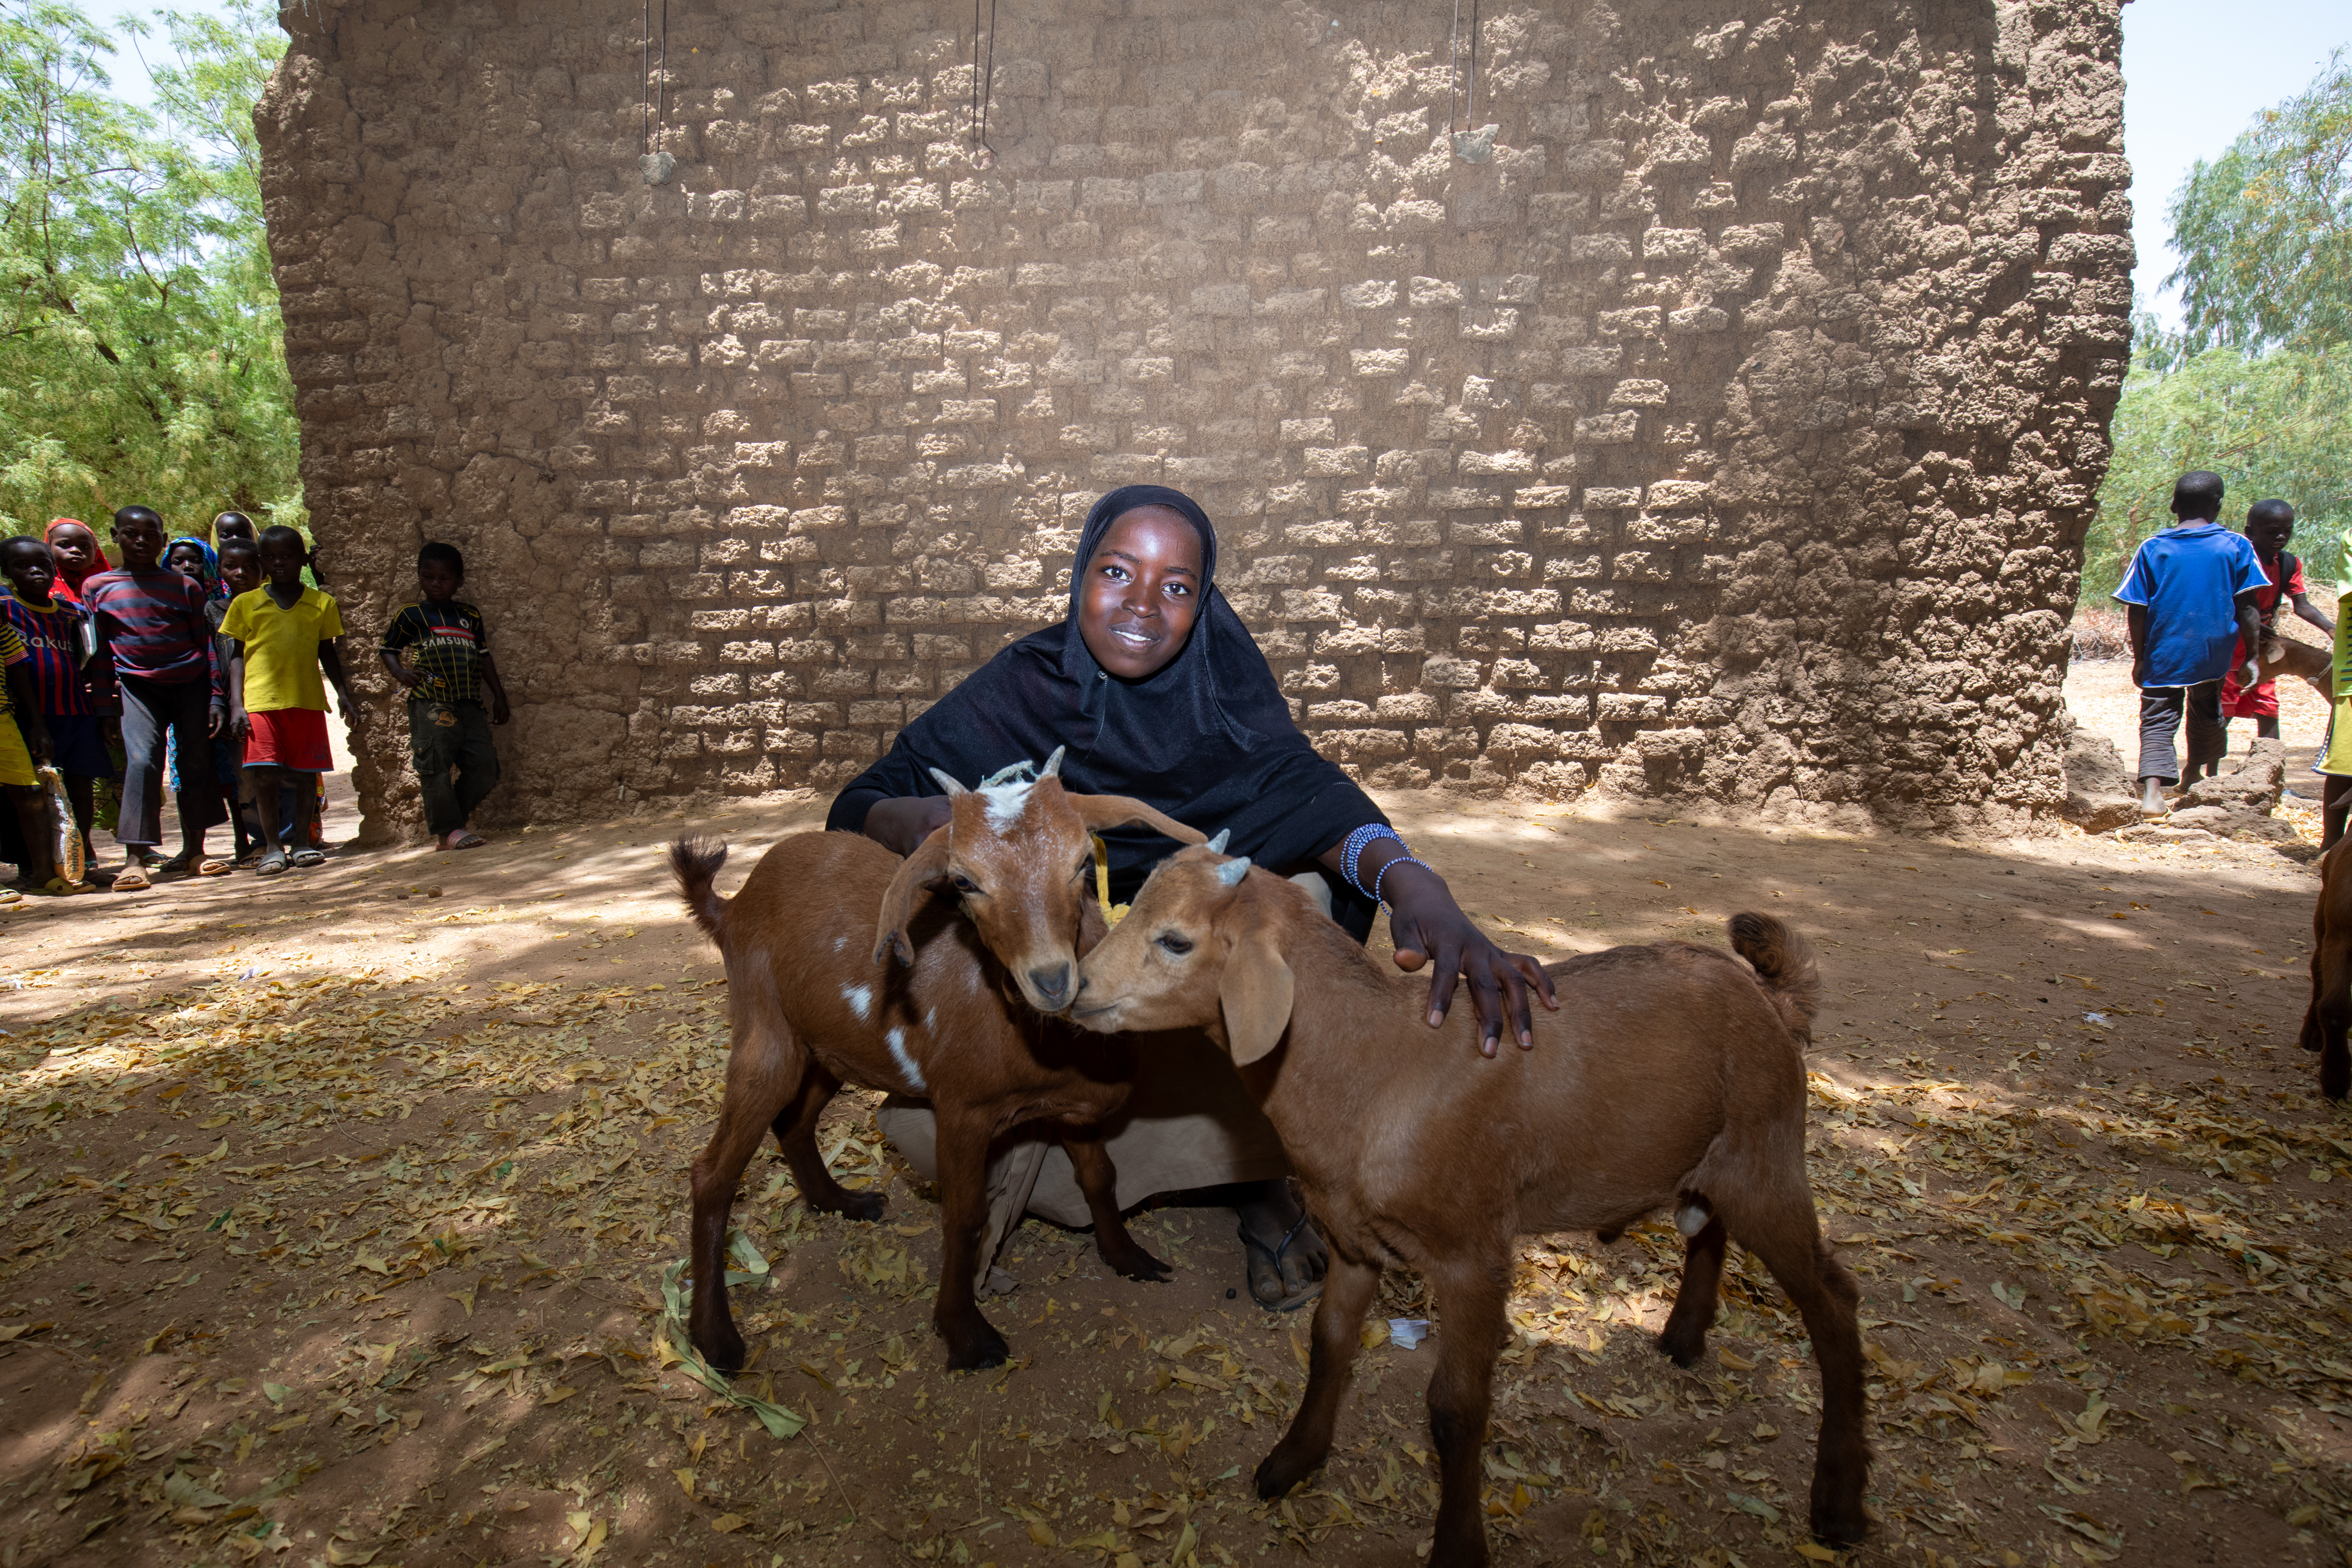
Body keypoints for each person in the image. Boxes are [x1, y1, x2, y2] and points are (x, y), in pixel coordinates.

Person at [827, 485, 1558, 1308]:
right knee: (932, 1134)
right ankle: (1196, 1157)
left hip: (1186, 952)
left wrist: (1411, 878)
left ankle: (1257, 1175)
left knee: (1297, 910)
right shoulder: (1025, 686)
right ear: (1079, 577)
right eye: (1116, 571)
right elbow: (862, 799)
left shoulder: (1225, 694)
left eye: (1177, 585)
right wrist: (927, 820)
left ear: (1202, 601)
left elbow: (1315, 802)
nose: (1142, 603)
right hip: (1084, 951)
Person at [83, 506, 228, 889]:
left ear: (163, 540)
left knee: (196, 760)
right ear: (115, 536)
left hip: (191, 684)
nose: (141, 540)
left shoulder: (186, 587)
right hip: (138, 688)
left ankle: (196, 851)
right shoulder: (99, 588)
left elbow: (206, 645)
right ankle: (136, 858)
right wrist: (103, 709)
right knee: (143, 760)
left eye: (151, 534)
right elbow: (99, 655)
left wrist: (215, 696)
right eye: (131, 533)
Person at [2112, 472, 2267, 817]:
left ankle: (2153, 794)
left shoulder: (2153, 548)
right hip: (2212, 652)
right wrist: (2253, 658)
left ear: (2173, 506)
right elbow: (2248, 607)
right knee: (2207, 709)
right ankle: (2197, 774)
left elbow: (2137, 608)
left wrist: (2140, 658)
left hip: (2165, 649)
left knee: (2157, 717)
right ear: (2218, 505)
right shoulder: (2237, 546)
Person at [222, 525, 349, 875]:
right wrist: (236, 704)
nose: (279, 563)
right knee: (265, 776)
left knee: (307, 775)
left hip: (306, 701)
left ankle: (302, 844)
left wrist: (343, 695)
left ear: (303, 559)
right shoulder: (246, 603)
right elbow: (236, 656)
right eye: (271, 557)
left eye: (288, 556)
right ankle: (273, 847)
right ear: (262, 561)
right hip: (261, 703)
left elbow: (328, 652)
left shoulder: (321, 604)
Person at [379, 542, 510, 850]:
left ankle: (454, 821)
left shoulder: (469, 615)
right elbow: (388, 650)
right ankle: (447, 832)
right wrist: (400, 673)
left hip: (469, 702)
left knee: (485, 767)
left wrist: (499, 696)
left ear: (459, 581)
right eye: (428, 577)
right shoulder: (411, 615)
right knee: (435, 767)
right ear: (419, 578)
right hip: (431, 702)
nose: (436, 584)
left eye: (444, 578)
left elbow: (484, 657)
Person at [0, 537, 107, 882]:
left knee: (80, 785)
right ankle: (33, 864)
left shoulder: (70, 613)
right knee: (31, 792)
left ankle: (80, 859)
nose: (35, 571)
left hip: (75, 711)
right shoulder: (5, 606)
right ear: (6, 573)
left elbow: (88, 657)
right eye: (22, 566)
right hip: (31, 718)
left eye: (43, 565)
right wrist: (34, 722)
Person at [2209, 499, 2334, 768]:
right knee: (2224, 707)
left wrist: (2331, 628)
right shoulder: (2234, 559)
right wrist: (2245, 618)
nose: (2281, 537)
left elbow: (2302, 605)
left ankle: (2269, 773)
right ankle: (2207, 775)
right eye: (2272, 531)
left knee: (2267, 706)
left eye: (2287, 531)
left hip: (2262, 648)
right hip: (2230, 645)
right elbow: (2215, 601)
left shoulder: (2288, 563)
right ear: (2250, 532)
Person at [0, 611, 62, 894]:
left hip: (3, 718)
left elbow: (16, 671)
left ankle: (42, 874)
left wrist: (37, 722)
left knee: (29, 793)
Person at [44, 519, 107, 604]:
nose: (75, 550)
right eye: (65, 545)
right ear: (48, 547)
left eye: (84, 546)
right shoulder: (39, 588)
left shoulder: (112, 587)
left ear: (96, 551)